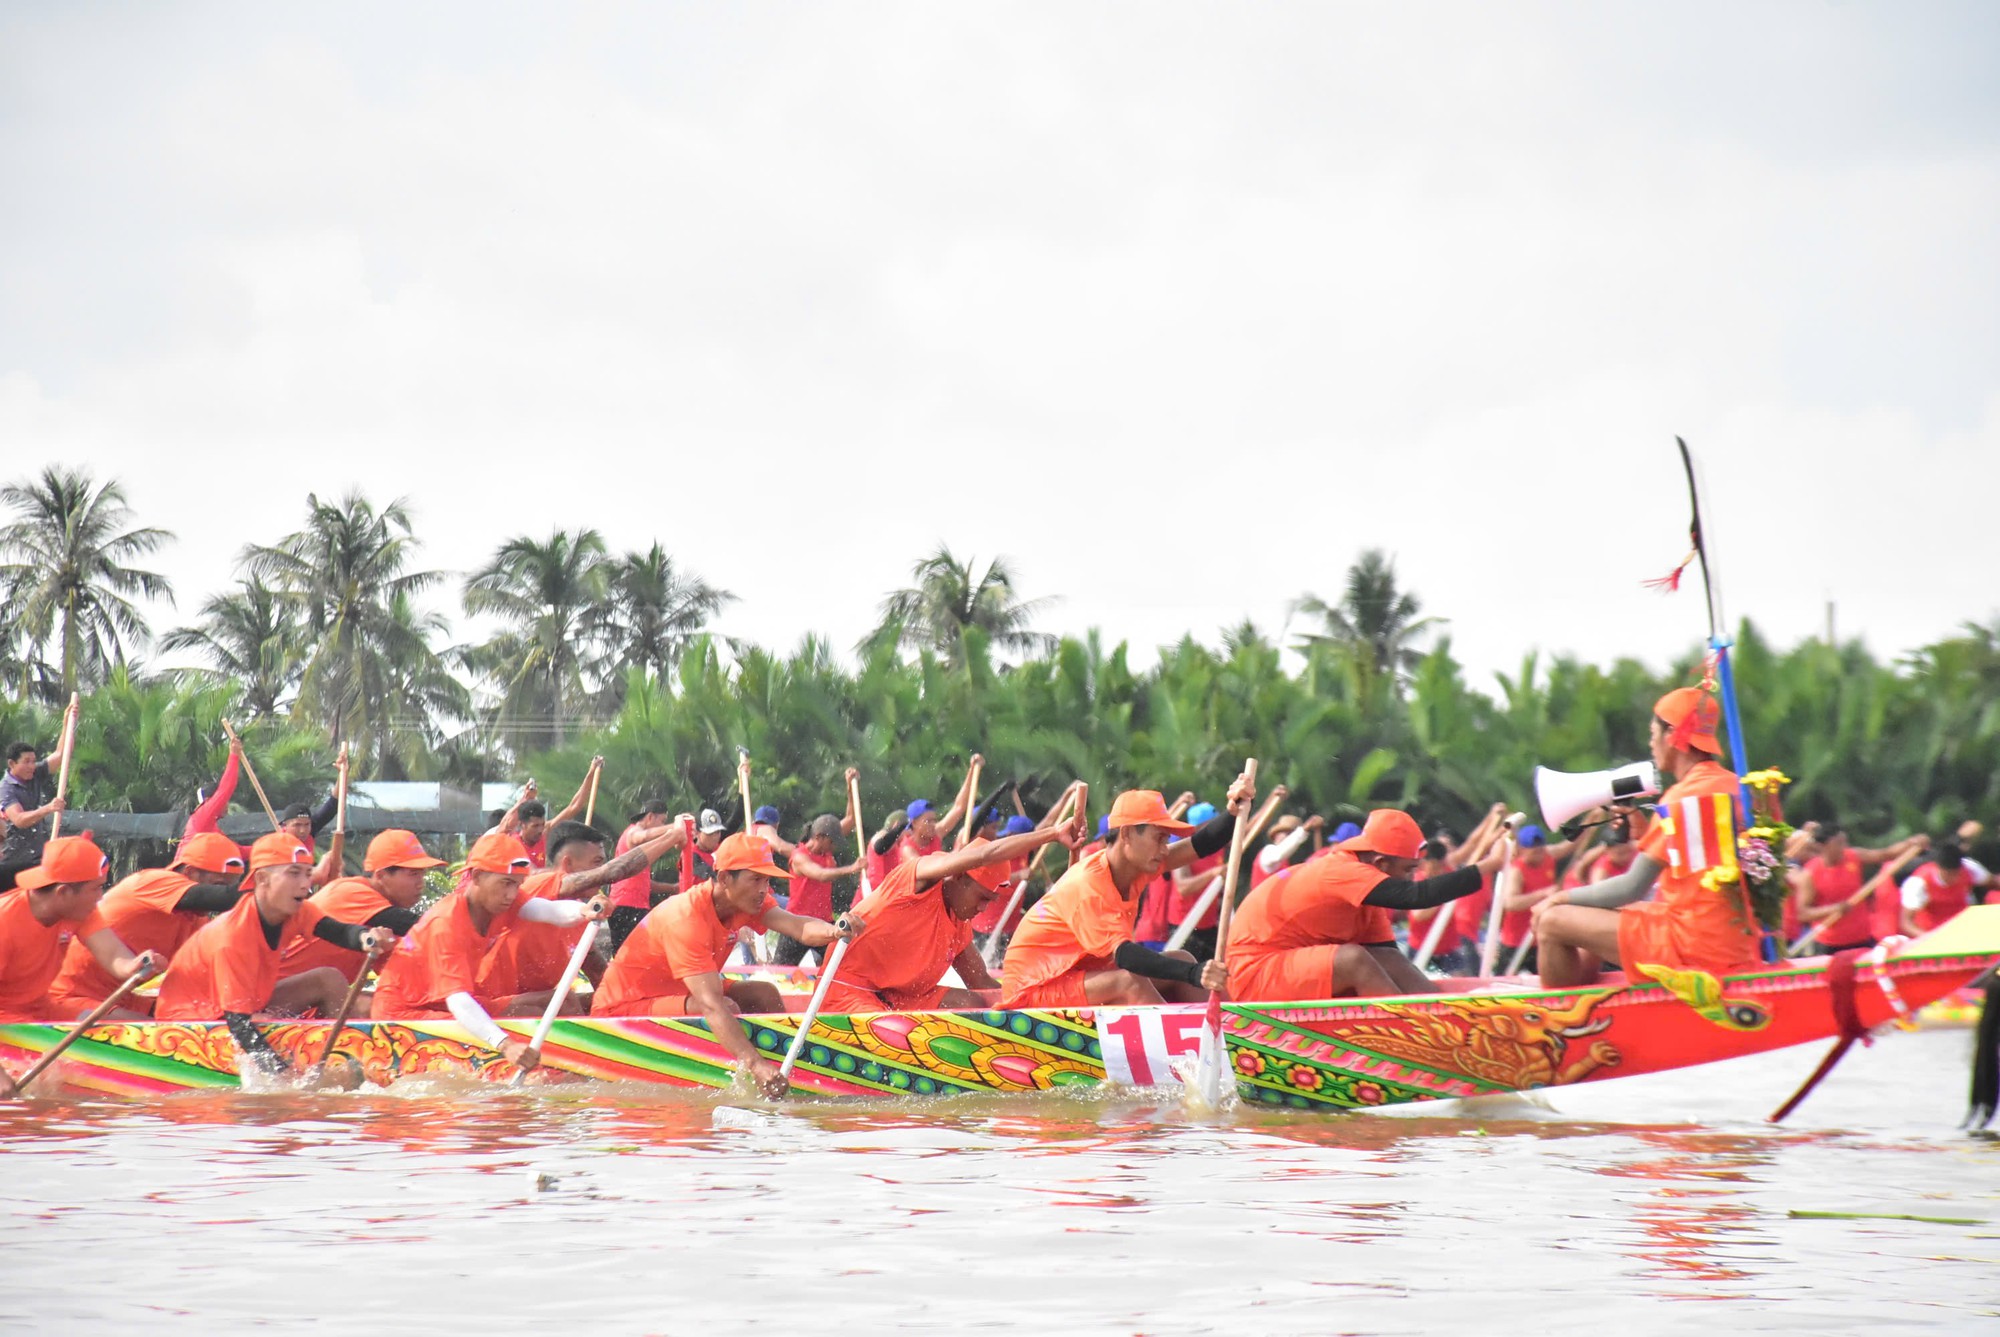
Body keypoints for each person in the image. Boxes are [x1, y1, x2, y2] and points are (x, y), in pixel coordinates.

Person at [1533, 687, 1762, 987]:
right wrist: (1646, 832)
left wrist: (1558, 897)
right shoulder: (1737, 787)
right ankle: (1586, 996)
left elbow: (1630, 888)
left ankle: (1559, 1020)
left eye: (1653, 733)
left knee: (1552, 921)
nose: (1650, 743)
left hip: (1691, 947)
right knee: (1596, 910)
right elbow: (1703, 856)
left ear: (1672, 735)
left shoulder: (1680, 798)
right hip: (1736, 941)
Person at [590, 834, 851, 1096]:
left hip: (678, 991)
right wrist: (755, 1064)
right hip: (621, 1008)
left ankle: (793, 1066)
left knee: (764, 993)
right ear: (725, 878)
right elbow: (711, 1005)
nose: (764, 889)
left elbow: (797, 926)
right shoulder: (686, 918)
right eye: (756, 879)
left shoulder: (746, 901)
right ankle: (757, 1071)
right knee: (725, 1006)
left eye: (767, 880)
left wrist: (837, 930)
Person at [154, 833, 397, 1078]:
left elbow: (340, 931)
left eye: (307, 873)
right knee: (260, 1028)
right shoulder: (233, 936)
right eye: (294, 873)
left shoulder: (297, 911)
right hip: (190, 1021)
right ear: (262, 879)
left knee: (328, 979)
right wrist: (284, 1081)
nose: (305, 884)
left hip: (241, 1007)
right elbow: (239, 1024)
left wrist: (368, 938)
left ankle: (359, 1056)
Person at [999, 778, 1251, 1009]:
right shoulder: (1089, 885)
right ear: (1127, 834)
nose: (1165, 849)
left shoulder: (1135, 865)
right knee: (1130, 981)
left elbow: (1200, 844)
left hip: (1076, 976)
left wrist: (1235, 811)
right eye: (1159, 838)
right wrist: (1195, 972)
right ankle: (1184, 1052)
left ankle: (1232, 1037)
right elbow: (1125, 957)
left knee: (1182, 958)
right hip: (1031, 990)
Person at [370, 833, 608, 1074]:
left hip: (442, 1004)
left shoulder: (500, 900)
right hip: (403, 1014)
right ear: (477, 876)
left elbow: (547, 910)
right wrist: (505, 1045)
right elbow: (459, 1001)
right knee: (527, 1020)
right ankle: (562, 1073)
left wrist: (585, 910)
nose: (512, 894)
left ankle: (581, 1065)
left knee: (558, 1001)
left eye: (517, 884)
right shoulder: (446, 923)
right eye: (506, 883)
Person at [1228, 810, 1509, 1000]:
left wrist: (1441, 1007)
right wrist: (1490, 865)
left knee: (1382, 960)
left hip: (1287, 966)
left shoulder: (1365, 892)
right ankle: (1417, 1038)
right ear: (1380, 864)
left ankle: (1438, 1024)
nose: (1412, 876)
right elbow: (1418, 896)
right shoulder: (1341, 871)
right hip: (1252, 972)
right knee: (1354, 960)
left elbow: (1392, 962)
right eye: (1409, 869)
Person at [821, 816, 1089, 1015]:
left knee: (973, 1004)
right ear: (960, 876)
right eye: (982, 898)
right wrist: (1052, 833)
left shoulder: (958, 923)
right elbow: (984, 853)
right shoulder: (920, 876)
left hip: (895, 999)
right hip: (847, 989)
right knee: (893, 1028)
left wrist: (1039, 1002)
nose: (983, 909)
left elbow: (981, 983)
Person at [476, 819, 683, 1006]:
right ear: (567, 864)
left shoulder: (584, 913)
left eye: (603, 861)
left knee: (613, 999)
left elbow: (599, 974)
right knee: (568, 1000)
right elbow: (613, 872)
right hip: (489, 1006)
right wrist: (672, 835)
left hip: (532, 1006)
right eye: (597, 862)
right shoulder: (541, 884)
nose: (601, 868)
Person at [47, 833, 247, 1018]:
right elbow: (218, 899)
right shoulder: (153, 882)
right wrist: (270, 891)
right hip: (71, 1000)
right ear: (190, 872)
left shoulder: (198, 920)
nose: (100, 895)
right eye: (219, 884)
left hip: (132, 1003)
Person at [0, 836, 162, 1025]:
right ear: (63, 892)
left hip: (43, 1008)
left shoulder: (77, 910)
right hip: (7, 1021)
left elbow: (113, 955)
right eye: (96, 888)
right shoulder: (5, 921)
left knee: (135, 1028)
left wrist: (135, 965)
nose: (100, 896)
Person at [278, 830, 444, 988]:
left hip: (309, 1000)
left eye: (422, 874)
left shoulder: (383, 925)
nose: (421, 882)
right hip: (277, 993)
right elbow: (421, 927)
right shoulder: (353, 892)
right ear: (381, 875)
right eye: (413, 874)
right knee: (331, 982)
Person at [1792, 825, 1929, 952]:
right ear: (1822, 846)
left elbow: (1885, 854)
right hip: (1829, 943)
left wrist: (1911, 843)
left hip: (1862, 938)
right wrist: (1834, 909)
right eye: (1838, 844)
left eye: (1844, 842)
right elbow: (1803, 913)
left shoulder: (1853, 856)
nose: (1843, 847)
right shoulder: (1810, 874)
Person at [866, 758, 979, 887]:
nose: (933, 825)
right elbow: (930, 872)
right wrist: (958, 854)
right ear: (914, 822)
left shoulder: (936, 832)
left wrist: (972, 770)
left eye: (934, 820)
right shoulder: (907, 850)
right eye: (928, 821)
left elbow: (959, 807)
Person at [777, 815, 866, 966]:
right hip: (797, 923)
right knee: (780, 972)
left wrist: (851, 794)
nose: (834, 847)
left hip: (823, 923)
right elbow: (820, 875)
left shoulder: (826, 850)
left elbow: (851, 819)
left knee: (840, 966)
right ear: (819, 837)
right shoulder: (799, 857)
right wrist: (852, 868)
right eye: (832, 842)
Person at [0, 733, 75, 891]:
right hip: (12, 863)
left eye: (33, 761)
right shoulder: (6, 789)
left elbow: (61, 754)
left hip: (37, 859)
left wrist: (68, 720)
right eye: (26, 762)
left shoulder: (34, 774)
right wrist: (49, 808)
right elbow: (20, 820)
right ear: (12, 764)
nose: (32, 766)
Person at [607, 801, 680, 951]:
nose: (662, 826)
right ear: (650, 817)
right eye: (662, 821)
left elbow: (645, 883)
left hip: (637, 907)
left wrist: (673, 888)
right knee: (626, 956)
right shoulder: (633, 832)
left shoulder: (639, 849)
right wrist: (675, 828)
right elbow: (639, 837)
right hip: (624, 906)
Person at [1165, 802, 1226, 961]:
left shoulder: (1217, 847)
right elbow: (1183, 887)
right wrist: (1213, 874)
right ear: (1202, 826)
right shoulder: (1183, 850)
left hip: (1209, 926)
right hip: (1185, 926)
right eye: (1213, 823)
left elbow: (1244, 831)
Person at [1900, 840, 1996, 936]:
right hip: (1933, 934)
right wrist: (1928, 938)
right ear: (1938, 867)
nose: (1953, 878)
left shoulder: (1969, 868)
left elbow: (1994, 883)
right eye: (1948, 874)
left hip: (1965, 929)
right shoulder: (1918, 882)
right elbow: (1907, 923)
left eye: (1956, 873)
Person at [1251, 812, 1321, 890]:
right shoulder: (1268, 852)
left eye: (1290, 834)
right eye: (1287, 834)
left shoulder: (1285, 864)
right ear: (1276, 835)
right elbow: (1279, 854)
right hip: (1262, 901)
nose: (1289, 837)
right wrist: (1304, 829)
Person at [678, 808, 728, 893]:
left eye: (717, 832)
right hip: (693, 904)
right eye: (710, 833)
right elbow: (710, 876)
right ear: (697, 832)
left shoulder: (720, 848)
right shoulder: (690, 854)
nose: (715, 837)